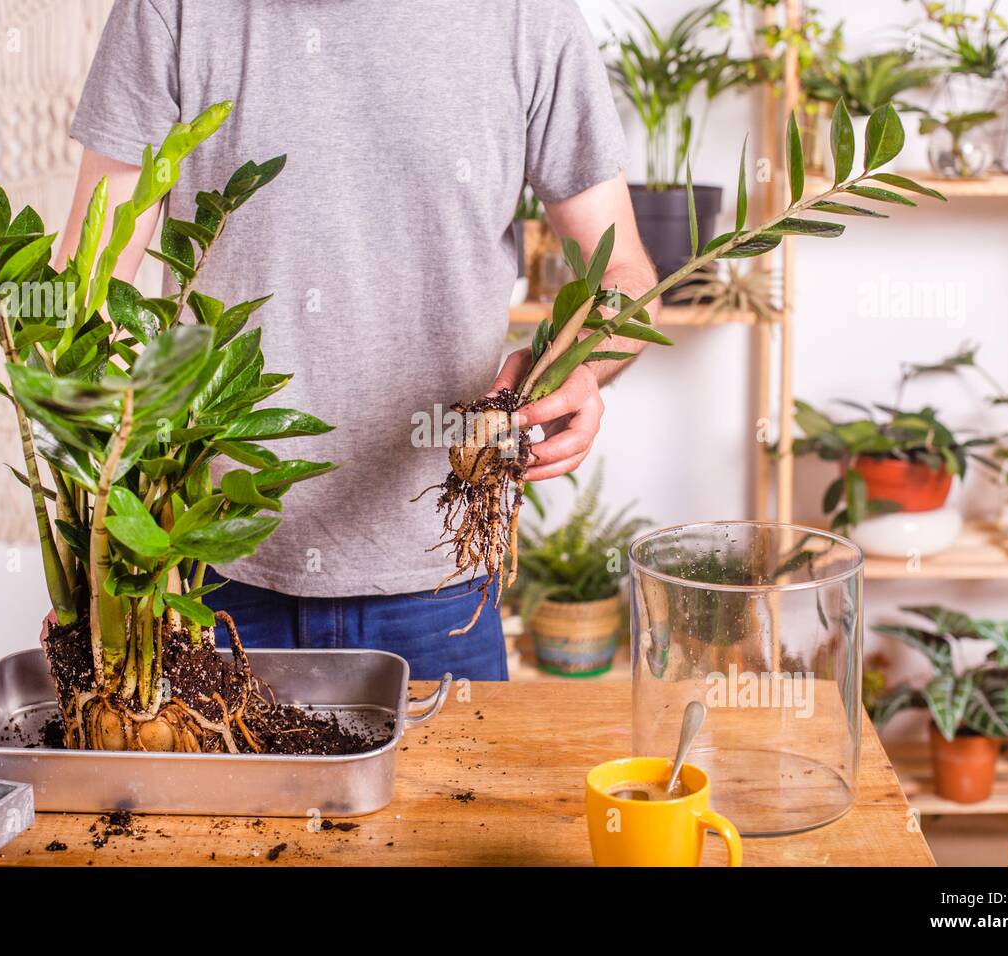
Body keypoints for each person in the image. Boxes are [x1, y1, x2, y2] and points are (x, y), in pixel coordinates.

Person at [59, 0, 659, 680]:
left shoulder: (527, 17)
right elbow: (90, 287)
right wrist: (102, 552)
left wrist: (581, 367)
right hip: (202, 571)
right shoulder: (171, 10)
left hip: (443, 577)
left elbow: (622, 271)